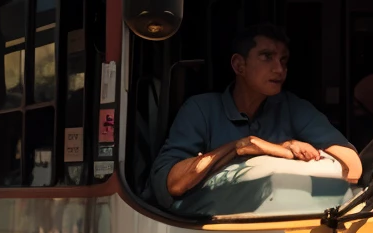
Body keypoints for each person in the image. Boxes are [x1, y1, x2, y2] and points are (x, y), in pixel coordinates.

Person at [150, 23, 361, 208]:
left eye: (284, 60)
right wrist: (237, 147)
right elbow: (173, 184)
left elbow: (353, 167)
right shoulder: (200, 109)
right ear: (239, 65)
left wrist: (275, 149)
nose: (280, 69)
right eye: (267, 57)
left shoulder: (293, 108)